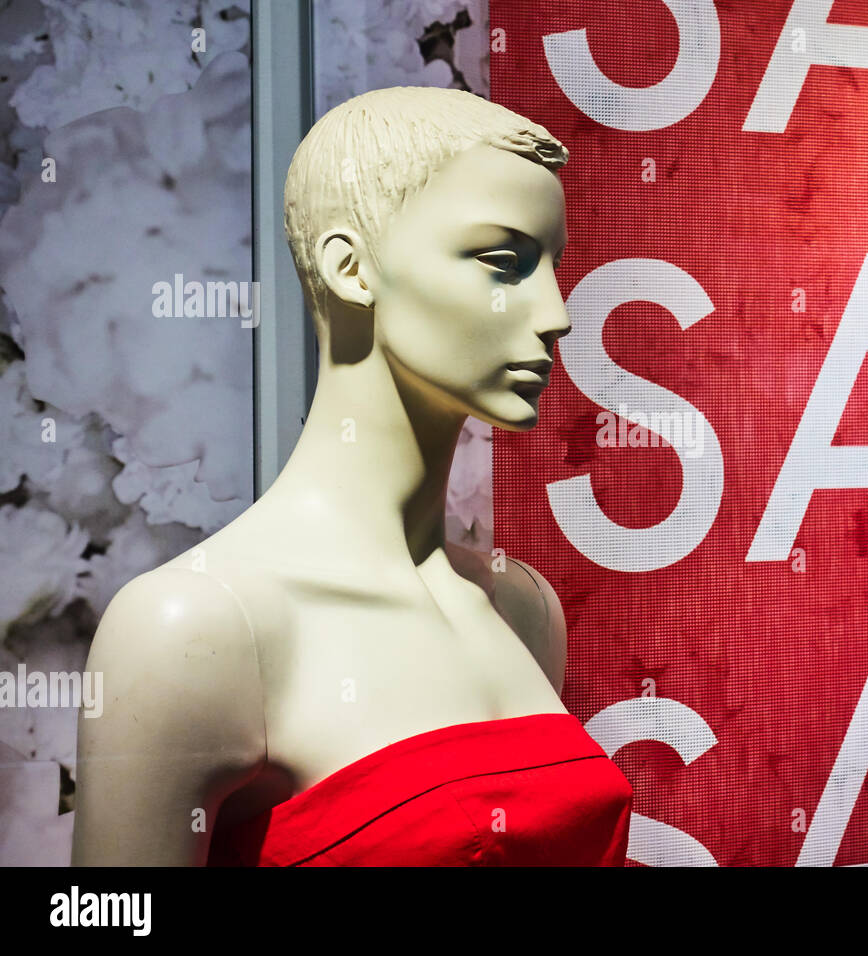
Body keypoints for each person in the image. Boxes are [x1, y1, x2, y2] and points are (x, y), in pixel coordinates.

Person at [71, 87, 633, 866]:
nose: (557, 312)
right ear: (352, 268)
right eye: (505, 261)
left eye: (555, 264)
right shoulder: (193, 628)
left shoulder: (521, 609)